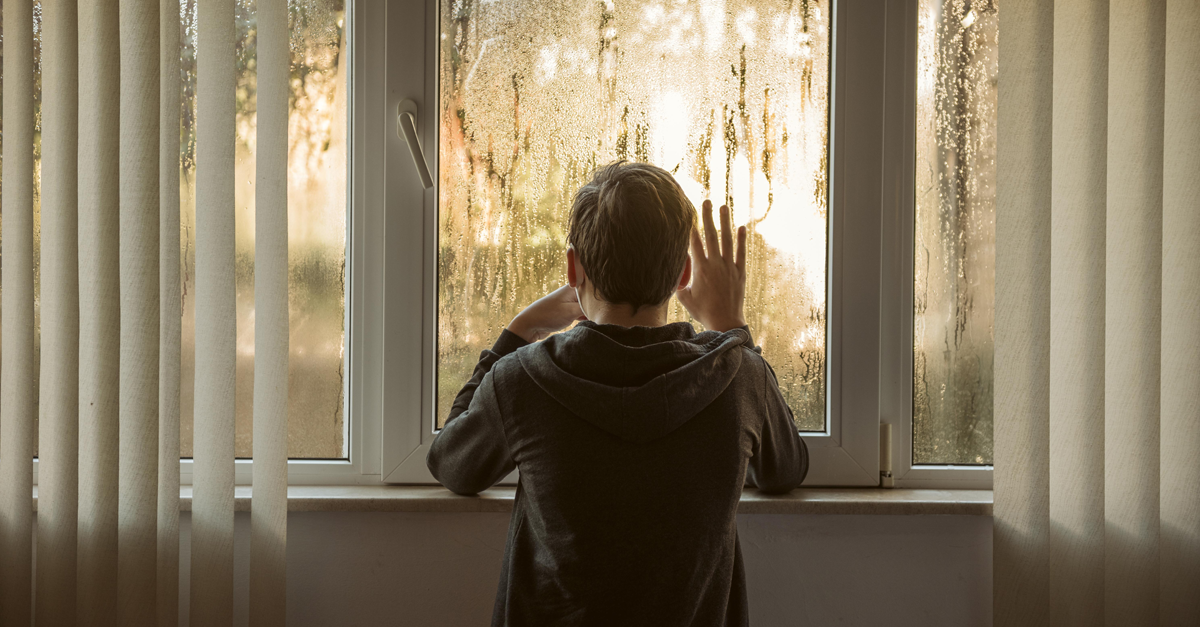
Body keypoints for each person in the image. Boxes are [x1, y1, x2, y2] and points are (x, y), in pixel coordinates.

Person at [427, 161, 809, 626]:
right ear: (683, 274)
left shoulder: (523, 379)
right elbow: (785, 468)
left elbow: (452, 463)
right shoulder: (738, 375)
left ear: (573, 267)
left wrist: (518, 330)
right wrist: (731, 327)